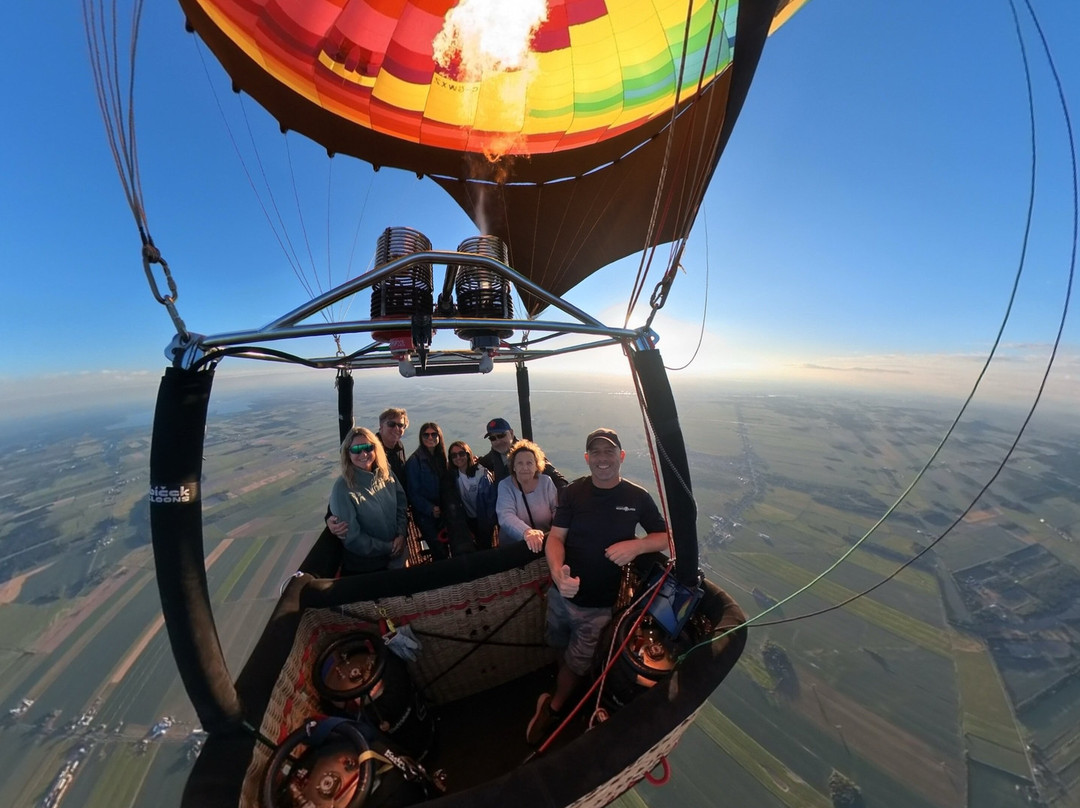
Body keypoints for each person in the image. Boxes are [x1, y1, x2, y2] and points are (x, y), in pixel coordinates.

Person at [525, 428, 669, 745]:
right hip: (562, 596)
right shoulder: (574, 493)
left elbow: (665, 537)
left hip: (600, 606)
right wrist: (558, 575)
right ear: (587, 459)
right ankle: (561, 684)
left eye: (609, 452)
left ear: (621, 456)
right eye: (596, 453)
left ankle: (554, 708)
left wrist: (636, 546)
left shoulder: (637, 497)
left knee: (577, 662)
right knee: (558, 643)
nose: (603, 459)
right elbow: (556, 538)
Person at [328, 427, 408, 575]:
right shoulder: (343, 488)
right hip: (370, 568)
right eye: (357, 449)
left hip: (398, 557)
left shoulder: (385, 474)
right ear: (347, 454)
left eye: (368, 447)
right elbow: (353, 538)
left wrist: (401, 534)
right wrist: (388, 547)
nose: (363, 454)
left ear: (376, 449)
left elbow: (401, 505)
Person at [496, 440, 558, 554]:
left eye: (529, 463)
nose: (525, 467)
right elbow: (505, 515)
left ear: (536, 466)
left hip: (544, 544)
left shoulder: (546, 482)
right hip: (515, 549)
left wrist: (556, 533)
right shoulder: (505, 486)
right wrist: (527, 532)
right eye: (520, 463)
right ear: (513, 467)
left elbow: (556, 509)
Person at [478, 417, 568, 488]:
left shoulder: (526, 451)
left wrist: (565, 492)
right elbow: (481, 463)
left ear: (511, 433)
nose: (498, 441)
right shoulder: (494, 455)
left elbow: (552, 473)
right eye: (493, 438)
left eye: (501, 436)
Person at [405, 422, 450, 561]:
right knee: (439, 551)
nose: (430, 437)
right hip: (426, 516)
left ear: (439, 436)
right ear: (421, 437)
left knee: (447, 547)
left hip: (442, 512)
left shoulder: (441, 458)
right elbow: (412, 492)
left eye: (434, 434)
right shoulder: (414, 461)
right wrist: (430, 508)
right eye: (426, 434)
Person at [446, 440, 497, 550]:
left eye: (461, 453)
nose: (458, 457)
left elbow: (491, 502)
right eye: (454, 455)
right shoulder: (454, 476)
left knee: (485, 548)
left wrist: (488, 524)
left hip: (483, 520)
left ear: (468, 454)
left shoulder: (481, 475)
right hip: (468, 521)